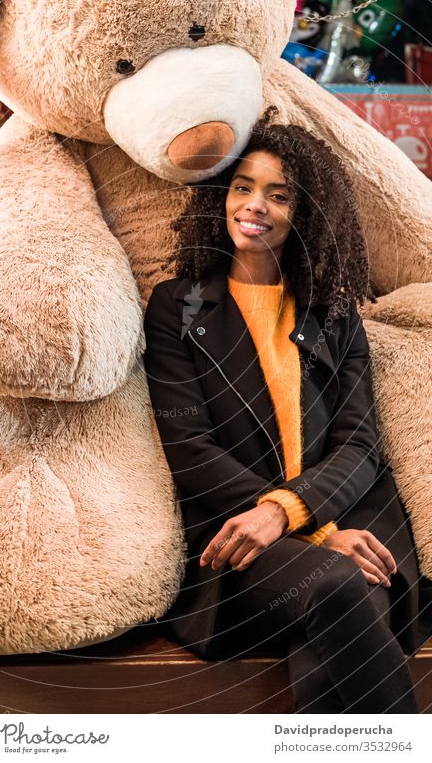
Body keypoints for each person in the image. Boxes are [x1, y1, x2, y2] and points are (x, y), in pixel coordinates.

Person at [143, 119, 432, 713]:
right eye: (242, 187)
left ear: (306, 213)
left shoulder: (335, 315)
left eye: (279, 194)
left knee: (344, 608)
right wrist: (303, 527)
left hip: (356, 526)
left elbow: (360, 445)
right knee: (335, 584)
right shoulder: (177, 305)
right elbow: (189, 446)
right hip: (239, 537)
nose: (255, 205)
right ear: (219, 196)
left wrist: (299, 515)